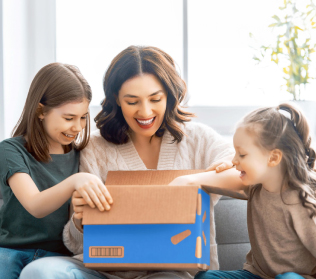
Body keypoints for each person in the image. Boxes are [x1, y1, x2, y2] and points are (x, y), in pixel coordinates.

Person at [20, 46, 243, 279]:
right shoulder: (95, 147)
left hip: (172, 272)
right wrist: (79, 220)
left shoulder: (198, 139)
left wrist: (189, 181)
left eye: (155, 99)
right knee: (39, 272)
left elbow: (245, 178)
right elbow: (77, 246)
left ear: (169, 95)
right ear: (116, 98)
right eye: (132, 101)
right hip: (101, 272)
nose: (145, 111)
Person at [181, 103, 316, 279]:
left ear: (273, 157)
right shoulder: (255, 188)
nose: (234, 160)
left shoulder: (301, 202)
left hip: (295, 277)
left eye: (242, 154)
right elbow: (209, 183)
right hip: (256, 275)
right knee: (205, 277)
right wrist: (197, 177)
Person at [0, 63, 113, 279]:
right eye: (69, 118)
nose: (78, 127)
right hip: (11, 251)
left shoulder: (84, 153)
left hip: (60, 258)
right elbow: (35, 205)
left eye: (83, 117)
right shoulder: (10, 150)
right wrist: (75, 181)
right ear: (41, 111)